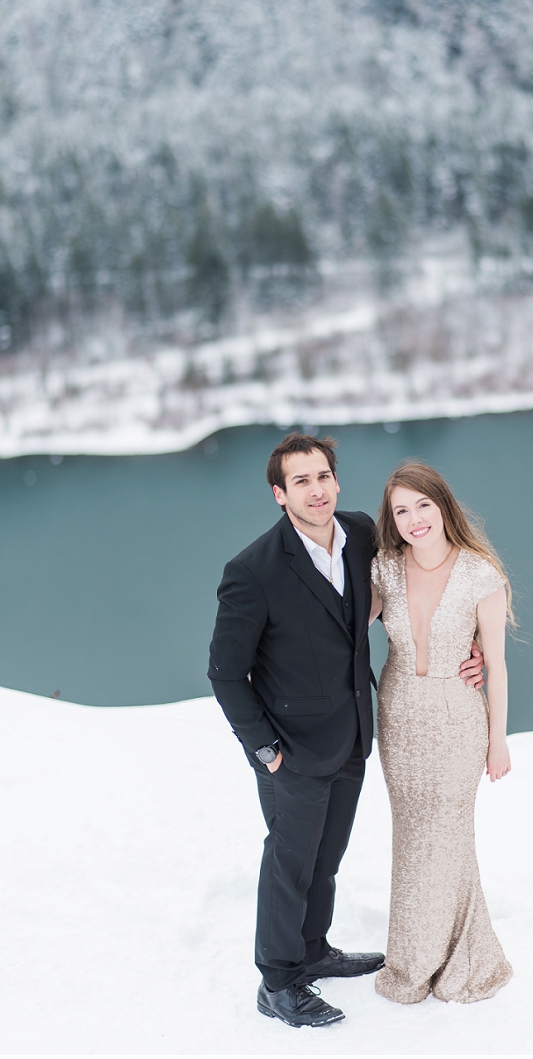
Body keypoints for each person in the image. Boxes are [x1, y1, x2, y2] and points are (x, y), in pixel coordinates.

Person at [208, 434, 483, 1027]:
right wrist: (266, 751)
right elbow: (226, 673)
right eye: (300, 481)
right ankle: (278, 982)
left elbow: (424, 569)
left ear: (336, 481)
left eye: (323, 476)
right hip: (290, 749)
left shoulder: (360, 534)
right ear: (279, 494)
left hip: (355, 736)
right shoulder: (251, 571)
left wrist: (473, 644)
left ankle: (313, 950)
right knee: (290, 862)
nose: (316, 490)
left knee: (326, 858)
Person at [367, 460, 515, 1004]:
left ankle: (447, 961)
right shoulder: (383, 569)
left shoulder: (480, 573)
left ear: (443, 505)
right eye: (401, 511)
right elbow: (344, 621)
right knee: (411, 835)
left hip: (458, 719)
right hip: (400, 714)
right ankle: (415, 958)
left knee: (449, 832)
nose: (413, 519)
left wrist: (497, 738)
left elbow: (495, 664)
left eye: (422, 505)